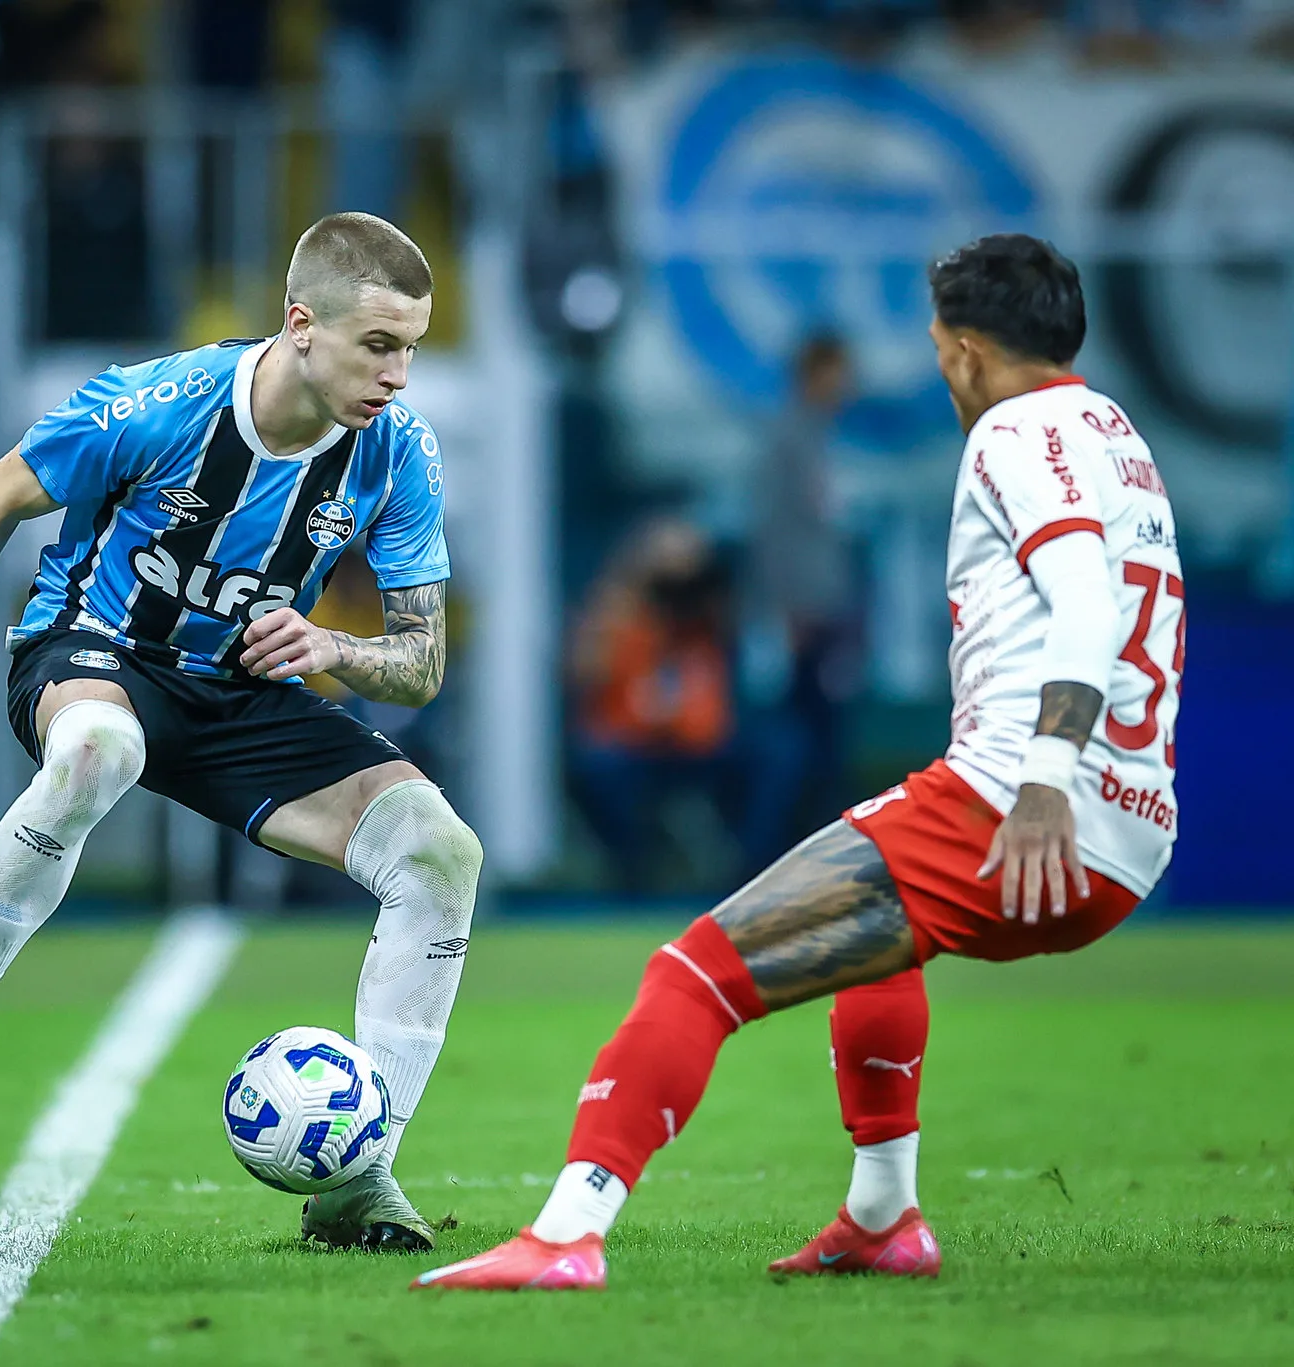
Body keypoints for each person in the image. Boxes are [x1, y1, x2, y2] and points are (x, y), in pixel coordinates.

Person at [413, 233, 1183, 1289]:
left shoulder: (1014, 430)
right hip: (1132, 833)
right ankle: (881, 1215)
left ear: (963, 349)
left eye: (935, 349)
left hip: (1019, 805)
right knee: (878, 943)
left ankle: (564, 1233)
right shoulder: (1115, 435)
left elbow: (1087, 601)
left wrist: (1045, 778)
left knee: (691, 973)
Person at [0, 212, 479, 1253]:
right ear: (300, 325)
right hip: (95, 650)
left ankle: (360, 1177)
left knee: (441, 853)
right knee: (100, 750)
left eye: (409, 347)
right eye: (377, 345)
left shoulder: (397, 451)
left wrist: (333, 645)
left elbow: (421, 663)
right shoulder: (159, 402)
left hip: (238, 692)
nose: (397, 375)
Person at [741, 333, 859, 871]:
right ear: (815, 373)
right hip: (802, 614)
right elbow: (773, 532)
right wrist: (784, 608)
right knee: (793, 746)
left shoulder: (817, 436)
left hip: (823, 609)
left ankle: (809, 858)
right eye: (839, 372)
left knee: (821, 741)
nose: (848, 384)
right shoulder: (787, 438)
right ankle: (767, 858)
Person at [566, 519, 734, 891]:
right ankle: (634, 874)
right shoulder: (616, 611)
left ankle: (743, 869)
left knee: (775, 754)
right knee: (598, 769)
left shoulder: (708, 615)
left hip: (696, 745)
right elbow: (585, 673)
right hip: (631, 744)